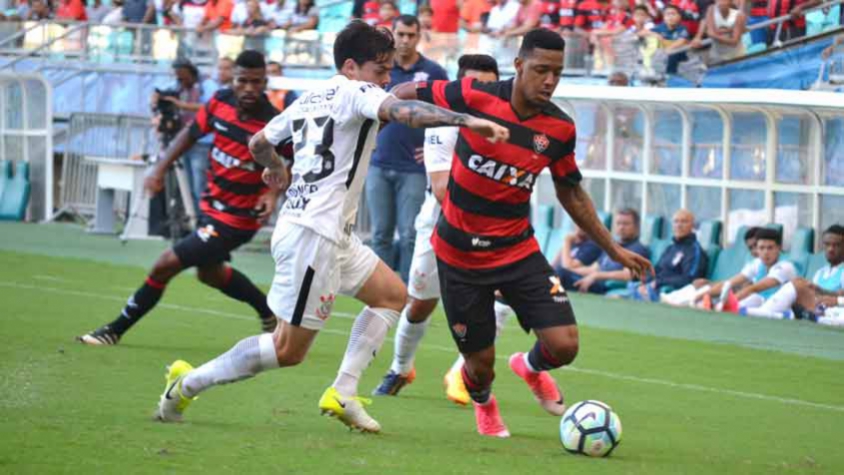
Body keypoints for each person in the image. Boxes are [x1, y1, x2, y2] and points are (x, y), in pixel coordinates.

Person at [152, 21, 508, 433]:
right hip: (312, 236)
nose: (387, 78)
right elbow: (402, 111)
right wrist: (467, 120)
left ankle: (343, 390)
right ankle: (187, 384)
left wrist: (275, 167)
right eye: (381, 69)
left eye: (390, 69)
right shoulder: (357, 92)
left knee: (393, 296)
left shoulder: (309, 98)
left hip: (329, 232)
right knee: (288, 350)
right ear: (353, 67)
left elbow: (258, 144)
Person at [393, 28, 653, 437]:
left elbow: (572, 192)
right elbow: (412, 90)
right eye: (541, 70)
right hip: (458, 256)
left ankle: (529, 367)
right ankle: (484, 401)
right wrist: (370, 102)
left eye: (558, 73)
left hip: (516, 251)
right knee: (479, 368)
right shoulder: (476, 96)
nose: (549, 80)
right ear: (518, 66)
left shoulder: (559, 129)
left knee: (565, 344)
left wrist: (614, 249)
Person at [78, 51, 282, 346]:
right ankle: (267, 311)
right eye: (243, 81)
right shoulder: (219, 102)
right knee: (210, 274)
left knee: (165, 264)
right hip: (210, 206)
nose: (249, 88)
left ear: (265, 82)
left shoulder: (274, 124)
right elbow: (189, 134)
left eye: (256, 82)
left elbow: (288, 164)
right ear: (233, 80)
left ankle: (114, 330)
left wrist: (272, 192)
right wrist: (158, 168)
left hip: (239, 217)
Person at [372, 54, 512, 405]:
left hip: (493, 229)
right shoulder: (444, 125)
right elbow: (440, 187)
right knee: (420, 305)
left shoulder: (512, 128)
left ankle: (461, 374)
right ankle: (401, 368)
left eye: (487, 83)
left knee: (505, 299)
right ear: (458, 87)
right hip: (441, 226)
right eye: (472, 83)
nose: (480, 91)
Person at [366, 15, 449, 283]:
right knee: (380, 234)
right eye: (400, 34)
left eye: (410, 35)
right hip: (378, 162)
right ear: (393, 34)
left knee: (411, 234)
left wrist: (435, 149)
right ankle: (380, 289)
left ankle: (409, 289)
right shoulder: (380, 69)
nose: (405, 40)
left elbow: (447, 114)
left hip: (413, 167)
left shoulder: (434, 72)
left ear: (419, 35)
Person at [668, 228, 796, 309]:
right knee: (713, 292)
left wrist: (726, 302)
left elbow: (755, 288)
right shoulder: (757, 263)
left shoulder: (785, 266)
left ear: (779, 248)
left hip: (781, 306)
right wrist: (701, 295)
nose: (766, 252)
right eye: (762, 248)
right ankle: (680, 299)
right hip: (761, 302)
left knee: (750, 299)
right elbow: (729, 283)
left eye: (770, 248)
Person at [151, 59, 219, 212]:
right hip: (184, 141)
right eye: (178, 77)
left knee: (199, 186)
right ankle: (192, 219)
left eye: (183, 77)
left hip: (203, 142)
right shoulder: (178, 86)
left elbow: (209, 107)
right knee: (187, 186)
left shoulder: (207, 85)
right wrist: (157, 99)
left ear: (192, 73)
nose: (180, 80)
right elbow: (162, 94)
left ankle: (203, 218)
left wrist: (181, 105)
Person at [747, 225, 844, 321]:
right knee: (799, 287)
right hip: (818, 309)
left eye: (837, 245)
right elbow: (813, 296)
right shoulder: (820, 272)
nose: (830, 249)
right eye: (827, 245)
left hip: (836, 312)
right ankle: (772, 313)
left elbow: (838, 296)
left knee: (798, 283)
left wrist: (828, 295)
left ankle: (762, 312)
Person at [555, 209, 651, 295]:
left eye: (626, 224)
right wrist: (568, 270)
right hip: (591, 281)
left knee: (559, 277)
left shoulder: (638, 249)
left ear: (637, 227)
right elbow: (593, 269)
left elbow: (628, 275)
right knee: (558, 272)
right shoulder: (612, 247)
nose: (621, 227)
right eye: (618, 223)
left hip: (604, 286)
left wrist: (597, 276)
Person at [630, 209, 708, 301]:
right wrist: (644, 282)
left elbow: (689, 280)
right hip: (654, 287)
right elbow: (656, 270)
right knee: (633, 285)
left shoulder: (695, 250)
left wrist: (658, 283)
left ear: (692, 226)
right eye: (676, 221)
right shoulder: (671, 248)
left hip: (669, 292)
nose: (679, 225)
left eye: (684, 221)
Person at [650, 4, 690, 73]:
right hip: (663, 58)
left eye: (673, 14)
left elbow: (682, 41)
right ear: (664, 17)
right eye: (667, 14)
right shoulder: (659, 27)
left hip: (679, 58)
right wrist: (654, 34)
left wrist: (667, 50)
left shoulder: (682, 28)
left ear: (679, 16)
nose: (670, 16)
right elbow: (643, 33)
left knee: (672, 53)